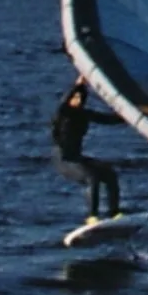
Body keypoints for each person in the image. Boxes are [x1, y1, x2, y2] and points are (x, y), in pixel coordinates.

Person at [52, 76, 123, 217]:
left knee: (110, 175)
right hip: (64, 160)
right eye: (75, 97)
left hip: (77, 158)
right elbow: (64, 103)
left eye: (81, 98)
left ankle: (114, 213)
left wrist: (135, 114)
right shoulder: (63, 113)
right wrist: (79, 85)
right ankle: (92, 217)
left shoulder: (84, 114)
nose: (78, 101)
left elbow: (109, 119)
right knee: (92, 178)